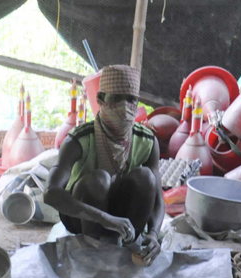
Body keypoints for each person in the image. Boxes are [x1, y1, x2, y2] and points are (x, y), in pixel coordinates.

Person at [45, 65, 164, 265]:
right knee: (98, 180)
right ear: (100, 100)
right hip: (83, 217)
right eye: (116, 99)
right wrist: (103, 218)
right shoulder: (78, 139)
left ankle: (130, 244)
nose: (125, 106)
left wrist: (153, 233)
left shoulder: (147, 140)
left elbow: (158, 197)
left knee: (146, 177)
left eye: (131, 99)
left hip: (124, 220)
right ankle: (94, 248)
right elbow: (51, 193)